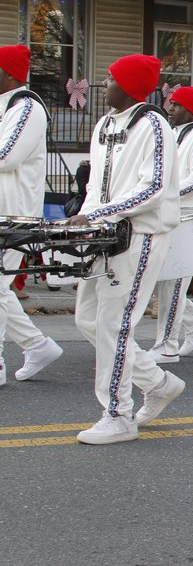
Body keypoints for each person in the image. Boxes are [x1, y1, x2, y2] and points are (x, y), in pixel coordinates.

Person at [67, 54, 185, 444]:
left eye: (111, 78)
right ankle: (158, 382)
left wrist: (98, 213)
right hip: (103, 234)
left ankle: (118, 414)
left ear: (130, 86)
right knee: (88, 318)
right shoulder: (103, 124)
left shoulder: (155, 125)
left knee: (115, 324)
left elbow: (152, 188)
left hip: (139, 236)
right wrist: (84, 219)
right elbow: (94, 187)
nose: (104, 83)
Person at [0, 44, 63, 387]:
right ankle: (37, 345)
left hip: (14, 215)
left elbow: (6, 156)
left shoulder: (27, 107)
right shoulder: (7, 107)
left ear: (9, 74)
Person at [147, 87, 193, 363]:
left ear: (191, 109)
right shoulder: (178, 135)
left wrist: (164, 192)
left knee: (173, 281)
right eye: (170, 103)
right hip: (174, 213)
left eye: (176, 105)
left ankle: (166, 345)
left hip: (191, 217)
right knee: (165, 280)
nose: (169, 108)